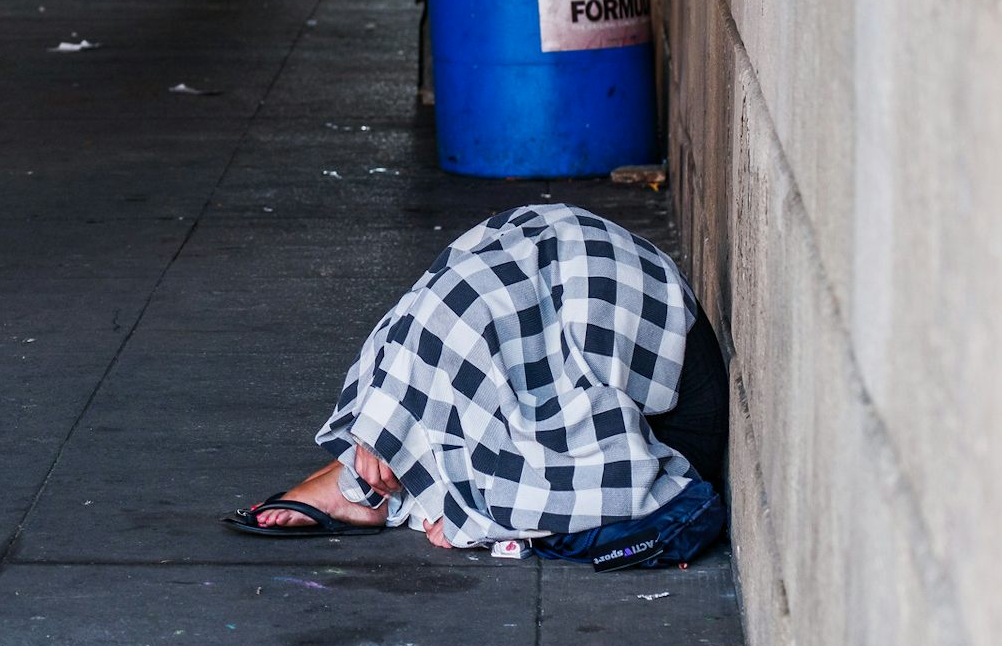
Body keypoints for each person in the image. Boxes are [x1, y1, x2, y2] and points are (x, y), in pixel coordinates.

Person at [224, 204, 730, 559]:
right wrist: (378, 421)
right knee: (456, 351)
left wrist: (478, 516)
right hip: (605, 335)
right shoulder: (481, 283)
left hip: (672, 424)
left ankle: (370, 490)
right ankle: (370, 478)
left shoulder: (475, 312)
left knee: (476, 386)